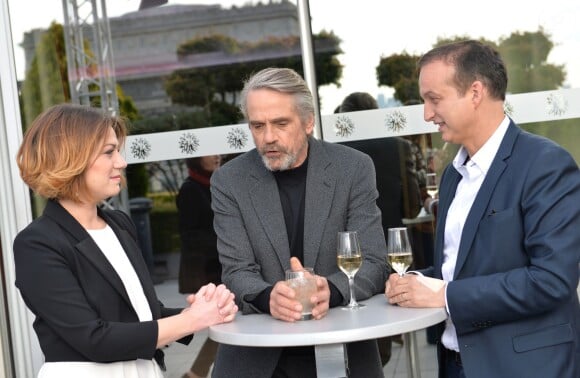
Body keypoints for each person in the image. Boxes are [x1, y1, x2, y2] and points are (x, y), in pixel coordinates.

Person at [386, 40, 580, 378]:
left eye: (434, 99)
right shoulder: (452, 175)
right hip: (455, 365)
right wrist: (415, 281)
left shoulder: (545, 165)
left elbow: (551, 280)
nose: (427, 114)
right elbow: (463, 269)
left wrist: (444, 295)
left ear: (475, 92)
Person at [13, 103, 238, 378]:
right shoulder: (37, 243)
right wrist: (190, 320)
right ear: (70, 159)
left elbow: (145, 313)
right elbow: (94, 339)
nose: (122, 162)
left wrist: (201, 311)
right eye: (109, 152)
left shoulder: (119, 224)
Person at [210, 68, 388, 377]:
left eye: (280, 123)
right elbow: (236, 271)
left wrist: (327, 290)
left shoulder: (353, 169)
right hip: (257, 357)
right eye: (257, 125)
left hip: (341, 346)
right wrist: (270, 297)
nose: (268, 137)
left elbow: (373, 260)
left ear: (308, 122)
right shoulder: (229, 181)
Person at [337, 91, 423, 362]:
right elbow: (412, 205)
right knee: (384, 332)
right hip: (392, 251)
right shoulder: (397, 147)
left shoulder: (335, 153)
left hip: (345, 253)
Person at [176, 155, 222, 378]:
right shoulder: (190, 189)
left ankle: (197, 372)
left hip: (214, 268)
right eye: (209, 151)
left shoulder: (213, 185)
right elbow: (191, 236)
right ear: (195, 158)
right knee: (224, 325)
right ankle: (197, 372)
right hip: (204, 271)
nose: (216, 156)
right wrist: (225, 240)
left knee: (224, 325)